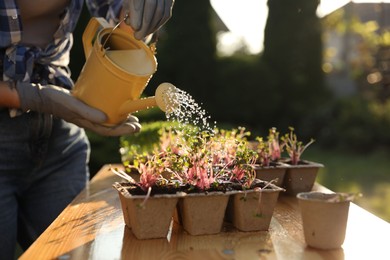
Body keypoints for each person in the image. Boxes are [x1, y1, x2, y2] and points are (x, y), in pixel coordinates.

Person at [0, 0, 174, 259]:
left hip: (60, 144)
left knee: (77, 254)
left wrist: (138, 18)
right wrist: (30, 96)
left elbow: (117, 18)